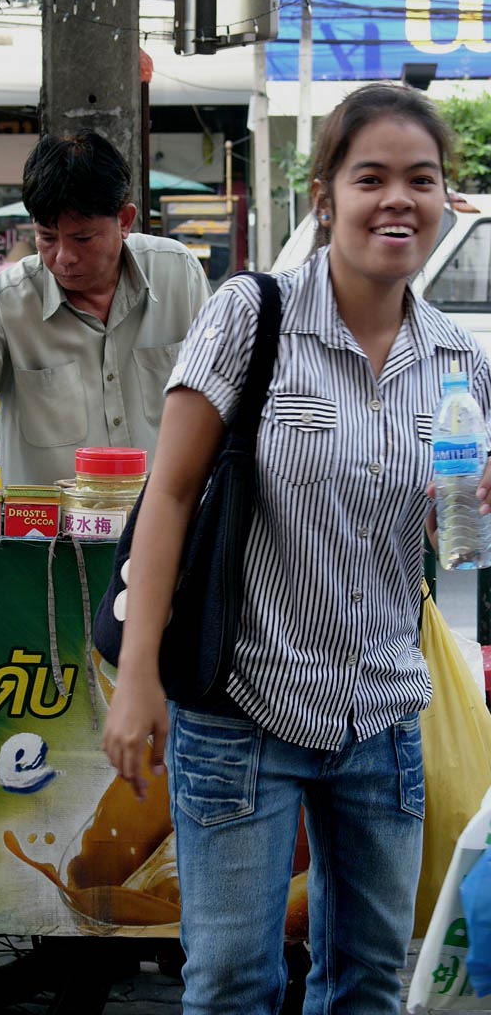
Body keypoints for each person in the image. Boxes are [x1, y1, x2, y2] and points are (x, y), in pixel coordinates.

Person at [102, 82, 491, 1015]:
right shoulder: (253, 316)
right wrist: (138, 676)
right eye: (372, 178)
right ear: (326, 195)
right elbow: (172, 494)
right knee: (233, 979)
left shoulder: (458, 363)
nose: (397, 199)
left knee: (364, 980)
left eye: (421, 180)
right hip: (244, 711)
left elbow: (452, 536)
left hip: (383, 719)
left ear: (447, 202)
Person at [0, 130, 211, 486]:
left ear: (124, 221)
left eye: (82, 238)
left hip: (173, 531)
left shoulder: (178, 274)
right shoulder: (3, 306)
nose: (63, 257)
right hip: (51, 539)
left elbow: (225, 393)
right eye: (46, 238)